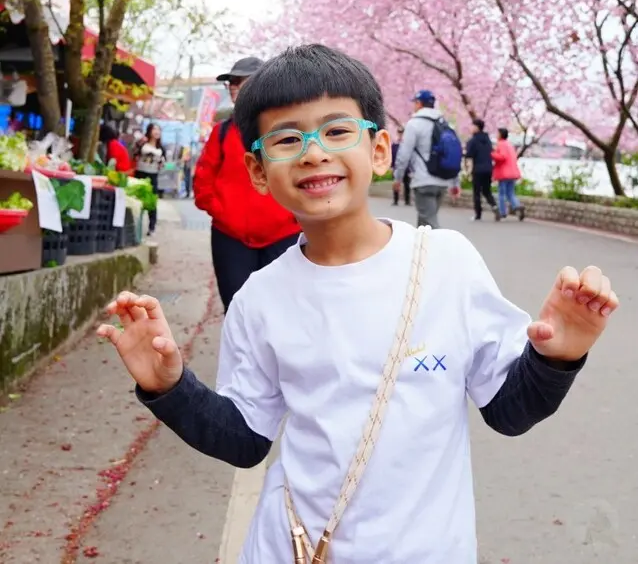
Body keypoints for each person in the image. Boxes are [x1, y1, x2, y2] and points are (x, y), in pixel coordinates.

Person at [98, 43, 619, 564]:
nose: (313, 153)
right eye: (287, 139)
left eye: (337, 131)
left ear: (379, 150)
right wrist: (170, 387)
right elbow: (245, 439)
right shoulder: (260, 299)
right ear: (258, 170)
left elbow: (509, 410)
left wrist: (558, 357)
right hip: (292, 548)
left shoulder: (447, 263)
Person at [193, 56, 301, 312]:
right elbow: (202, 184)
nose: (235, 88)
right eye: (232, 83)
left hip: (283, 236)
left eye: (242, 82)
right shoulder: (221, 132)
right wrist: (223, 212)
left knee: (281, 310)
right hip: (231, 238)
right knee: (236, 308)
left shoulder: (289, 132)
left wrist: (294, 217)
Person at [393, 89, 460, 229]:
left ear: (419, 103)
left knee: (429, 222)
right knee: (425, 224)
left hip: (423, 180)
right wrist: (455, 183)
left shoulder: (414, 124)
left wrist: (398, 178)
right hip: (442, 181)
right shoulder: (444, 124)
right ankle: (423, 244)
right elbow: (452, 153)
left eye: (415, 103)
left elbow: (404, 154)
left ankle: (441, 244)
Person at [133, 123, 165, 235]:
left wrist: (161, 164)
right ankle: (134, 225)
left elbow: (162, 163)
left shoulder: (161, 148)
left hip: (153, 175)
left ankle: (152, 227)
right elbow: (134, 153)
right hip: (140, 174)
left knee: (152, 202)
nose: (157, 131)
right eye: (154, 129)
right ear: (149, 131)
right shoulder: (143, 143)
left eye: (159, 129)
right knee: (137, 200)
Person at [465, 118, 500, 222]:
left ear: (477, 127)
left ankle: (478, 214)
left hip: (478, 169)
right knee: (487, 191)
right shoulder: (488, 140)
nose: (471, 128)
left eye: (472, 126)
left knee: (476, 192)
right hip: (488, 168)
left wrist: (467, 169)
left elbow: (469, 155)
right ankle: (494, 206)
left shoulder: (473, 141)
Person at [492, 127, 525, 221]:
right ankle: (517, 206)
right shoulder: (510, 145)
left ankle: (502, 212)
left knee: (501, 194)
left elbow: (502, 157)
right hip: (513, 172)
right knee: (510, 193)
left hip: (504, 173)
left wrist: (492, 154)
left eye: (497, 133)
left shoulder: (500, 144)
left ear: (500, 135)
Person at [391, 126, 411, 206]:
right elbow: (392, 156)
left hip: (406, 168)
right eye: (399, 132)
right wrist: (392, 166)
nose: (400, 134)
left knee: (407, 184)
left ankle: (407, 200)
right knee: (396, 183)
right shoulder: (395, 145)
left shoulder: (408, 145)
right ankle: (395, 200)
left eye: (402, 132)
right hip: (396, 167)